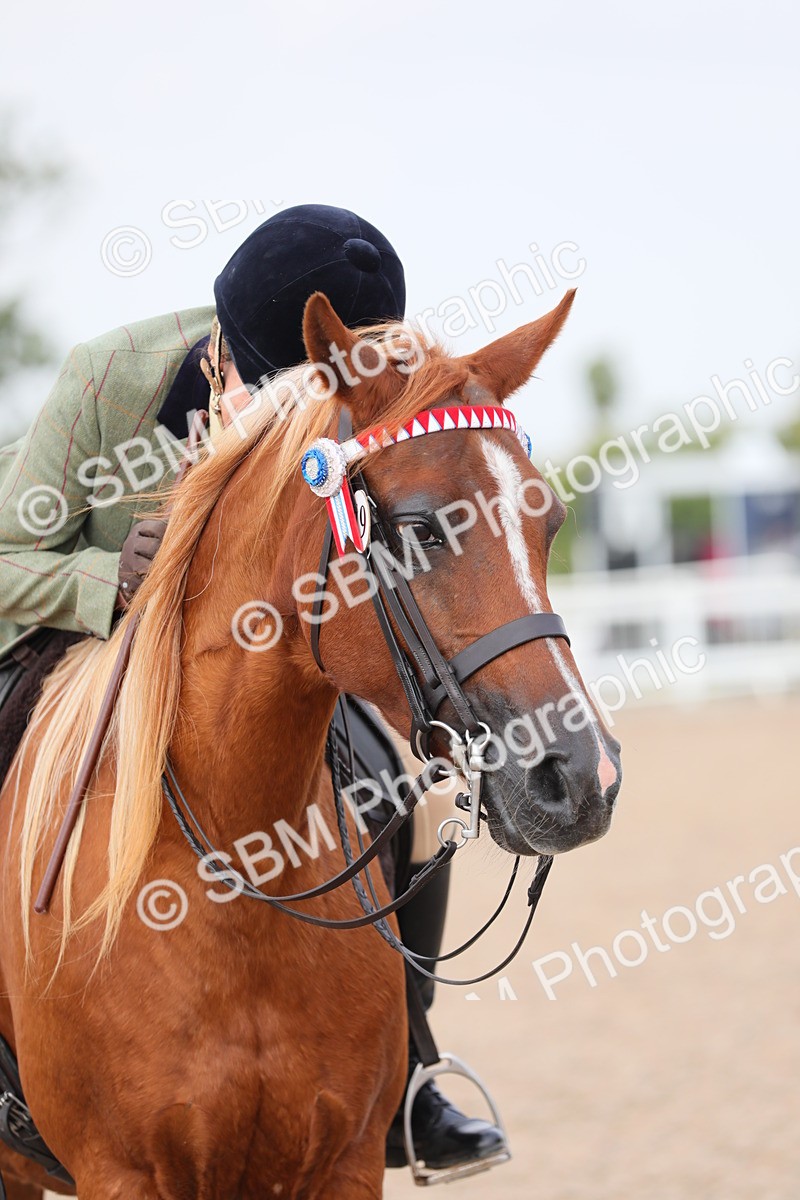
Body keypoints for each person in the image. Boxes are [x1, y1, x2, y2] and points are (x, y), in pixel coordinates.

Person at [0, 204, 505, 1175]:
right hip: (77, 641)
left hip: (263, 663)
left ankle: (410, 1073)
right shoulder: (108, 376)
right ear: (223, 360)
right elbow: (9, 552)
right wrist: (109, 575)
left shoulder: (369, 400)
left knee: (397, 796)